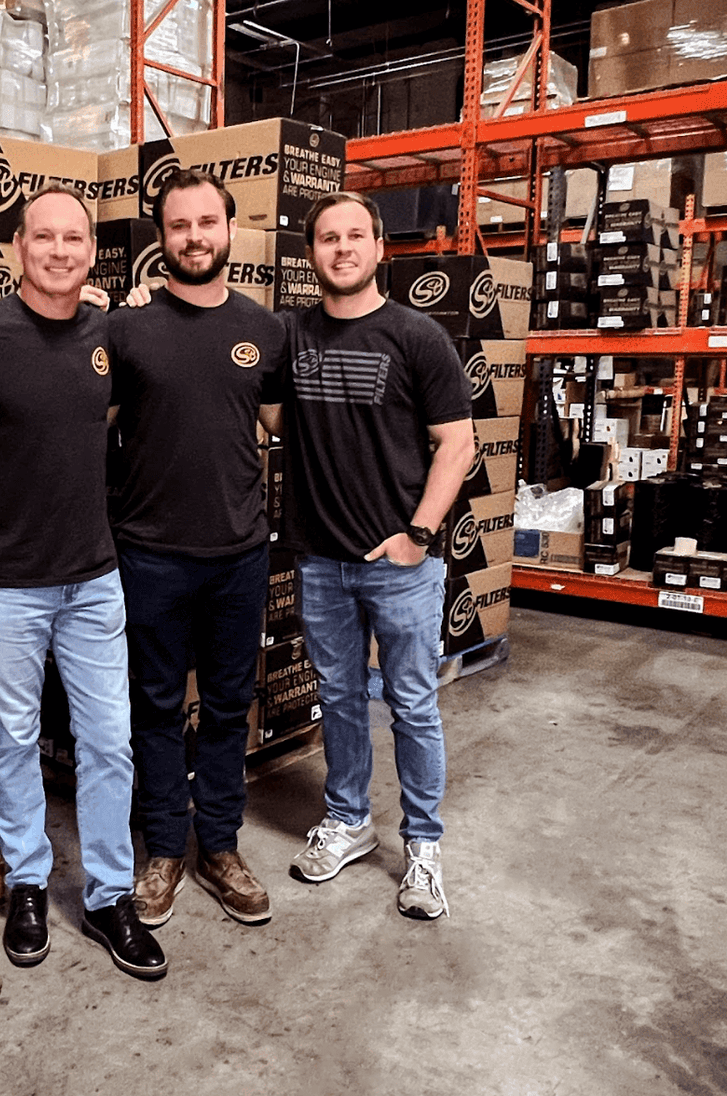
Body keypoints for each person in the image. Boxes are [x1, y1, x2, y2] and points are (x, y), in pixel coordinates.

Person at [0, 182, 166, 981]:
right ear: (16, 249)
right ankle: (29, 883)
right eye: (44, 237)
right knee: (14, 740)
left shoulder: (108, 334)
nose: (60, 251)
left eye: (75, 239)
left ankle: (109, 896)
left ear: (91, 253)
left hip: (93, 579)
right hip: (5, 582)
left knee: (108, 741)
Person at [278, 190, 475, 921]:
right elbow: (266, 409)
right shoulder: (290, 334)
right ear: (311, 254)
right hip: (320, 559)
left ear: (380, 247)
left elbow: (457, 443)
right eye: (328, 237)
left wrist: (417, 536)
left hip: (400, 565)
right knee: (338, 697)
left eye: (355, 235)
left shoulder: (418, 336)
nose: (342, 248)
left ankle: (422, 845)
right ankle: (349, 819)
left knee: (413, 703)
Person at [108, 170, 287, 930]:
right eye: (178, 225)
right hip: (149, 554)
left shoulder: (263, 329)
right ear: (161, 238)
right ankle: (162, 851)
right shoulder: (127, 329)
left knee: (225, 706)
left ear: (230, 229)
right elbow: (86, 426)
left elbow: (284, 427)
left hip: (238, 555)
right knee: (152, 707)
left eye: (206, 222)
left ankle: (218, 845)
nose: (194, 237)